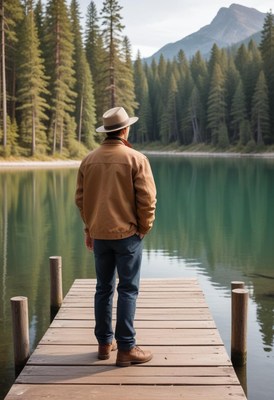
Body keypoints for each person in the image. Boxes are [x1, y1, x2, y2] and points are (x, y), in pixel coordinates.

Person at [75, 106, 157, 367]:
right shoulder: (137, 158)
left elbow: (81, 199)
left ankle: (103, 344)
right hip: (128, 235)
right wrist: (144, 227)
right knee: (128, 290)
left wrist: (90, 229)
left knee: (103, 288)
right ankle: (126, 349)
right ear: (125, 129)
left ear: (107, 131)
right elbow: (148, 200)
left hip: (100, 235)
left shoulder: (88, 160)